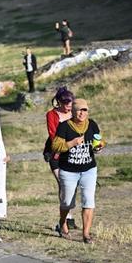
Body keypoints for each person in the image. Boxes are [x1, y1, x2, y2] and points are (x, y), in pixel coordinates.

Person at [52, 98, 103, 243]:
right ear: (73, 112)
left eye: (84, 110)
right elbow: (55, 146)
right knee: (67, 202)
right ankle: (62, 223)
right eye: (79, 110)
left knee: (88, 201)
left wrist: (99, 146)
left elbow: (98, 141)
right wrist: (72, 143)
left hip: (89, 169)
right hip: (69, 171)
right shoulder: (64, 126)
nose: (82, 113)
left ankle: (86, 234)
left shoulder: (92, 124)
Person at [45, 87, 77, 232]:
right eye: (66, 103)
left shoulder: (75, 113)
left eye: (71, 103)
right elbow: (53, 135)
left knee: (71, 185)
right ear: (59, 102)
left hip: (73, 154)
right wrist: (68, 144)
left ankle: (69, 217)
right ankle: (65, 219)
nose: (69, 106)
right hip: (56, 153)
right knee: (64, 183)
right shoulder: (51, 115)